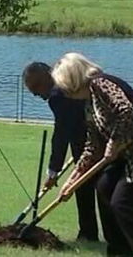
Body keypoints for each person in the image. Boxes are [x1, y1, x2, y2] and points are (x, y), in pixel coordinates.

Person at [53, 52, 133, 257]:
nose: (64, 93)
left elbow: (126, 112)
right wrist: (72, 180)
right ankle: (119, 252)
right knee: (104, 189)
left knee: (124, 204)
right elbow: (93, 146)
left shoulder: (101, 84)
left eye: (65, 87)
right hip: (130, 153)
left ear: (74, 79)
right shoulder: (89, 103)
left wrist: (114, 142)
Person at [23, 61, 103, 243]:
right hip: (84, 144)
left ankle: (95, 235)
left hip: (93, 144)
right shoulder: (63, 88)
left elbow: (61, 134)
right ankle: (89, 234)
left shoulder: (58, 94)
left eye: (35, 88)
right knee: (85, 190)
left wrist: (53, 171)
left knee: (96, 190)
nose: (36, 94)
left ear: (45, 78)